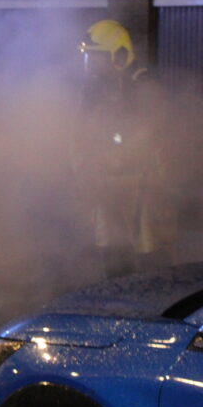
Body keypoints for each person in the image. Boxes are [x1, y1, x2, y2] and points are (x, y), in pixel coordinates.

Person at [73, 18, 176, 278]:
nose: (93, 65)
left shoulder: (143, 87)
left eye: (98, 57)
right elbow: (84, 134)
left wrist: (111, 159)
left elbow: (150, 136)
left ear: (118, 54)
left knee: (149, 253)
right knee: (112, 254)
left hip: (140, 186)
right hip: (108, 186)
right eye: (90, 57)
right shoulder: (95, 90)